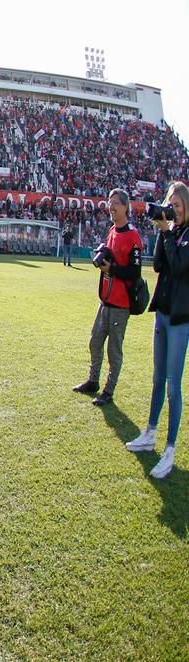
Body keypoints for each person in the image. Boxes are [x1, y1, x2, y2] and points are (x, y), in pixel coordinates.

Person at [125, 181, 189, 479]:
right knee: (157, 379)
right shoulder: (173, 232)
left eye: (177, 207)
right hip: (162, 313)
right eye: (170, 205)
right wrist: (162, 232)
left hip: (180, 318)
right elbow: (160, 266)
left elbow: (179, 268)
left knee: (173, 386)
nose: (172, 211)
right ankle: (149, 434)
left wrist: (167, 232)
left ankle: (170, 449)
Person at [72, 188, 142, 406]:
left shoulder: (132, 235)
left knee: (114, 351)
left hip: (120, 305)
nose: (111, 207)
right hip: (105, 301)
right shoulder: (113, 230)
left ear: (125, 207)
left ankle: (108, 391)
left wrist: (112, 269)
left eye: (115, 203)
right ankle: (93, 381)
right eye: (109, 203)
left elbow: (134, 273)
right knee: (95, 342)